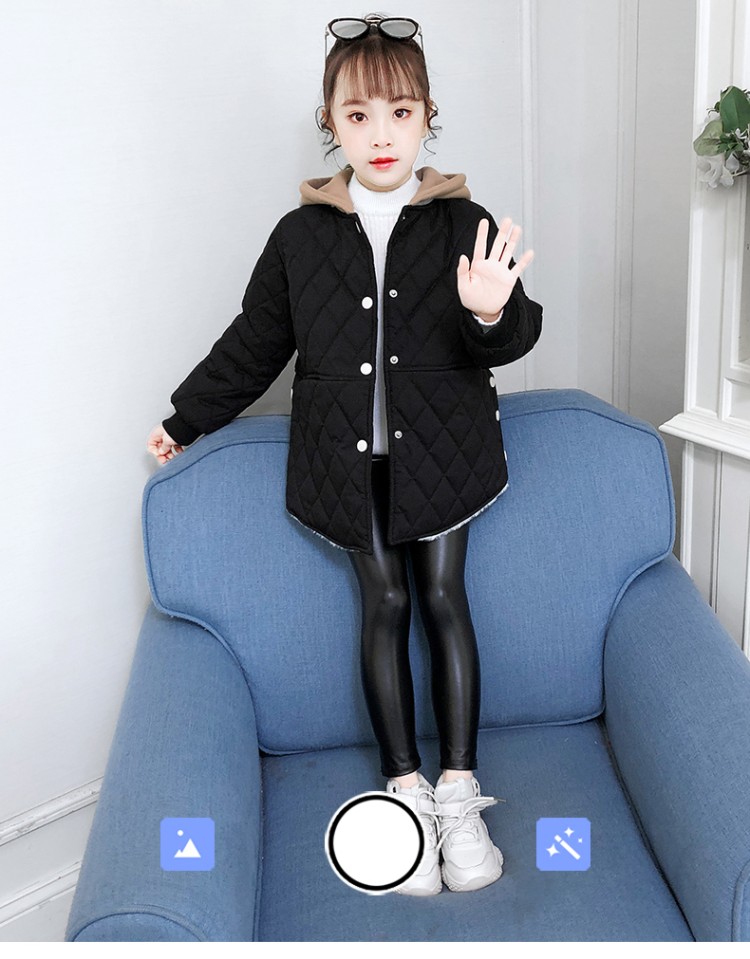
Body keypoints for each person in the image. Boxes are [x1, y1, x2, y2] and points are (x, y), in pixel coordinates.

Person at [147, 13, 543, 897]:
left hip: (446, 457)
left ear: (428, 115)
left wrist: (489, 310)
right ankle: (405, 788)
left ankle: (459, 792)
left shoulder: (464, 221)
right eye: (358, 115)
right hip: (344, 458)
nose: (381, 133)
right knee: (385, 601)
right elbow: (255, 342)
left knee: (444, 598)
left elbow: (514, 332)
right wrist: (187, 417)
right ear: (331, 121)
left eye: (400, 112)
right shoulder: (300, 237)